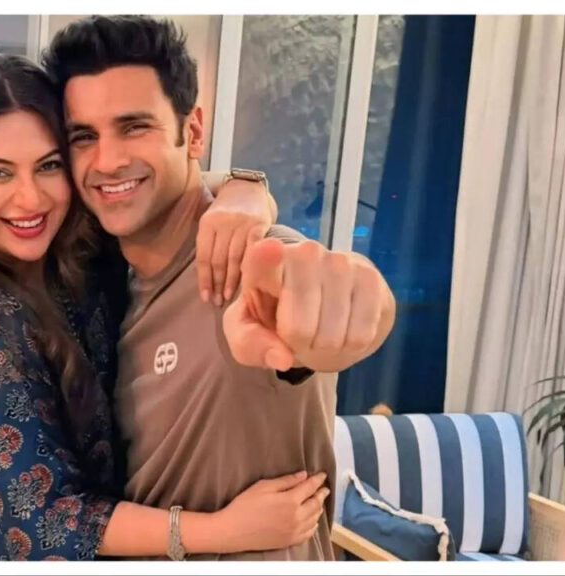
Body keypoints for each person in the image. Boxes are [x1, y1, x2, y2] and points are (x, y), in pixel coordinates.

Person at [0, 53, 322, 561]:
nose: (30, 199)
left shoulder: (80, 254)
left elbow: (160, 187)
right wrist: (225, 530)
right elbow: (45, 522)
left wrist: (246, 193)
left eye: (48, 166)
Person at [43, 15, 396, 560]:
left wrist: (350, 308)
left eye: (135, 127)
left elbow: (317, 296)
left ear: (192, 132)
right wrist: (244, 185)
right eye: (84, 137)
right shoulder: (101, 282)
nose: (107, 161)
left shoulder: (254, 264)